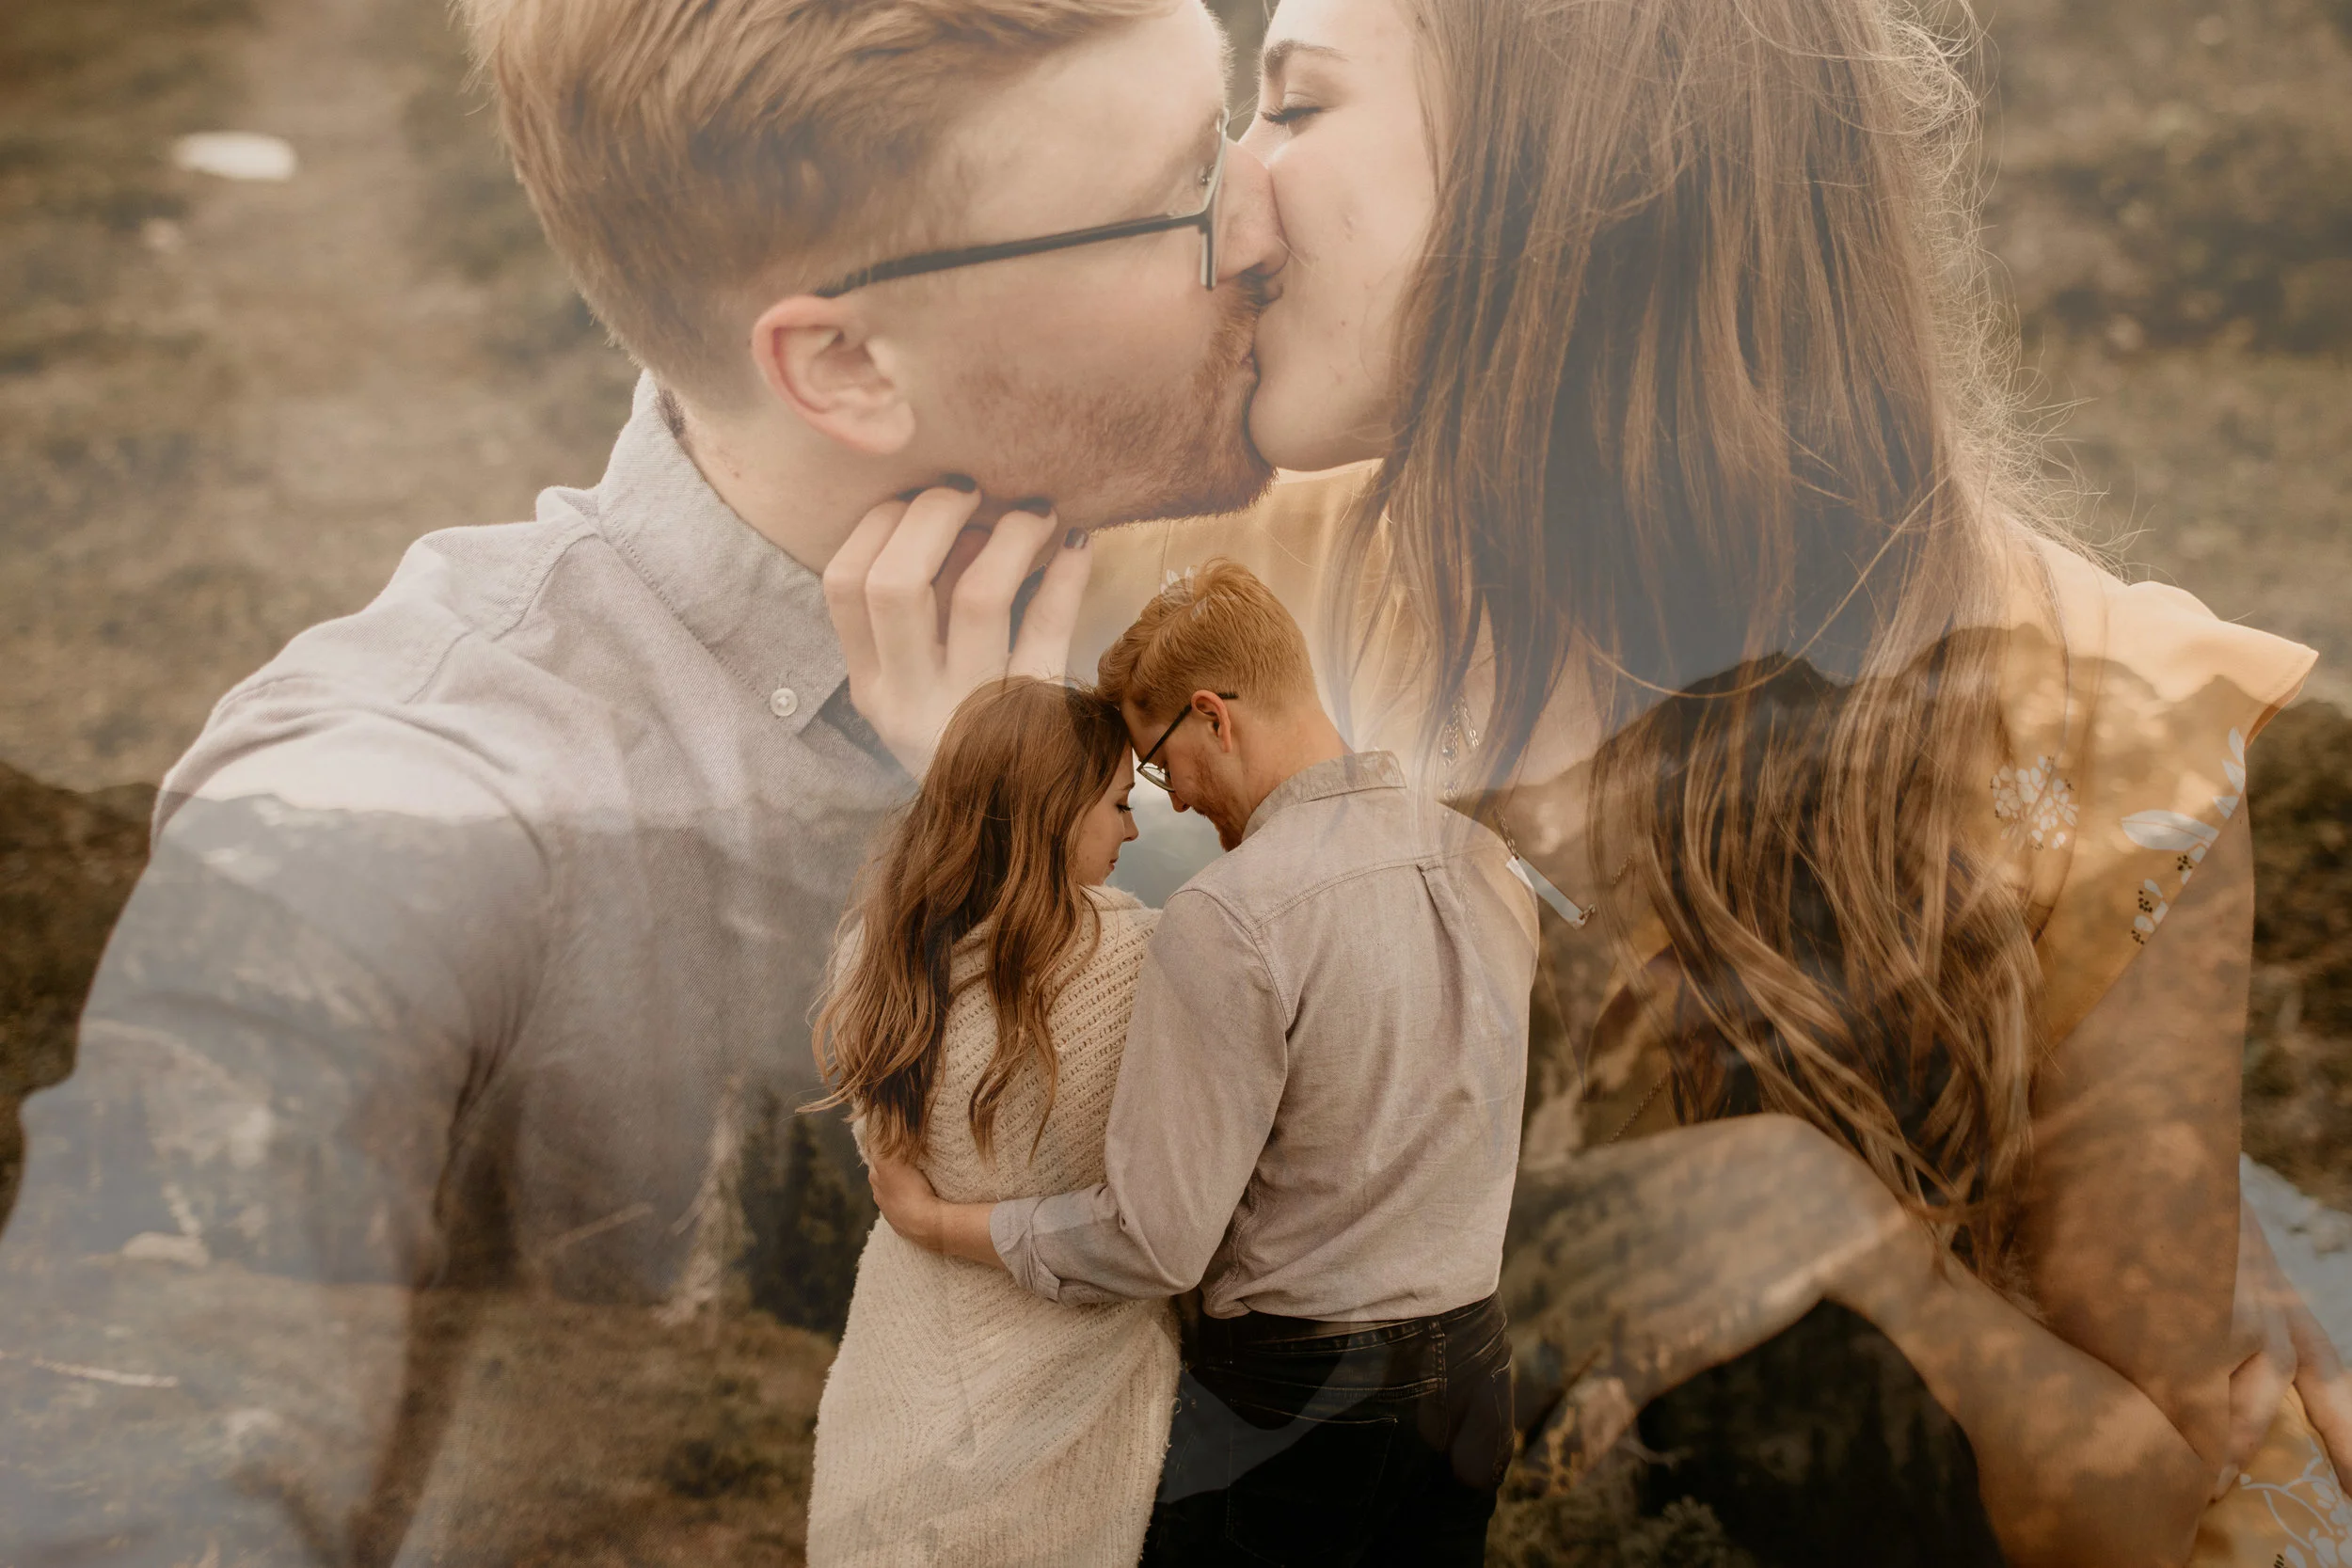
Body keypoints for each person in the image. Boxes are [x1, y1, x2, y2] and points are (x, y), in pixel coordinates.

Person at [1048, 0, 2352, 1562]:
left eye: (1301, 108)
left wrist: (1852, 1250)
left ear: (1569, 188)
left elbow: (2138, 1501)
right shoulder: (1201, 592)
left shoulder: (2094, 725)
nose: (1229, 196)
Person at [0, 1, 1288, 1560]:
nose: (1266, 221)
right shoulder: (403, 811)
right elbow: (117, 1486)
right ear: (845, 363)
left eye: (1236, 125)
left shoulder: (1198, 602)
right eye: (1182, 193)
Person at [868, 562, 1541, 1566]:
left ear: (1213, 717)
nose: (1172, 799)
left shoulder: (1232, 912)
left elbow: (1154, 1242)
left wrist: (933, 1221)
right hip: (1477, 1373)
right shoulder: (1485, 859)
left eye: (1156, 763)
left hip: (1295, 1401)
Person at [805, 677, 1175, 1566]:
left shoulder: (877, 952)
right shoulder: (1145, 963)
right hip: (1067, 1411)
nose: (1131, 831)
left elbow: (891, 1171)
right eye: (1119, 803)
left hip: (896, 1382)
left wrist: (932, 1216)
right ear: (1055, 811)